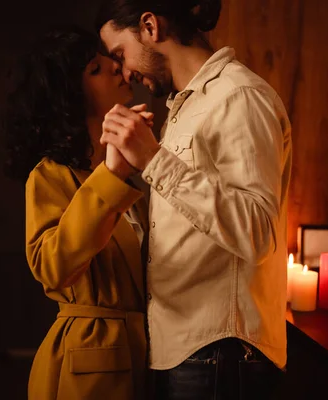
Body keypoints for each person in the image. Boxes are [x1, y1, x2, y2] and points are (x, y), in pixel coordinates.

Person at [95, 1, 293, 399]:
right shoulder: (184, 108)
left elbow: (257, 231)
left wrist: (153, 159)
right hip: (189, 351)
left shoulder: (238, 97)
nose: (126, 73)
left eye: (121, 55)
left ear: (150, 26)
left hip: (221, 354)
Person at [3, 25, 153, 400]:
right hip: (88, 367)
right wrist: (112, 175)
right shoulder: (50, 175)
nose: (117, 68)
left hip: (151, 358)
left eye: (111, 60)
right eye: (95, 68)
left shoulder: (138, 162)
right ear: (70, 95)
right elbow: (54, 267)